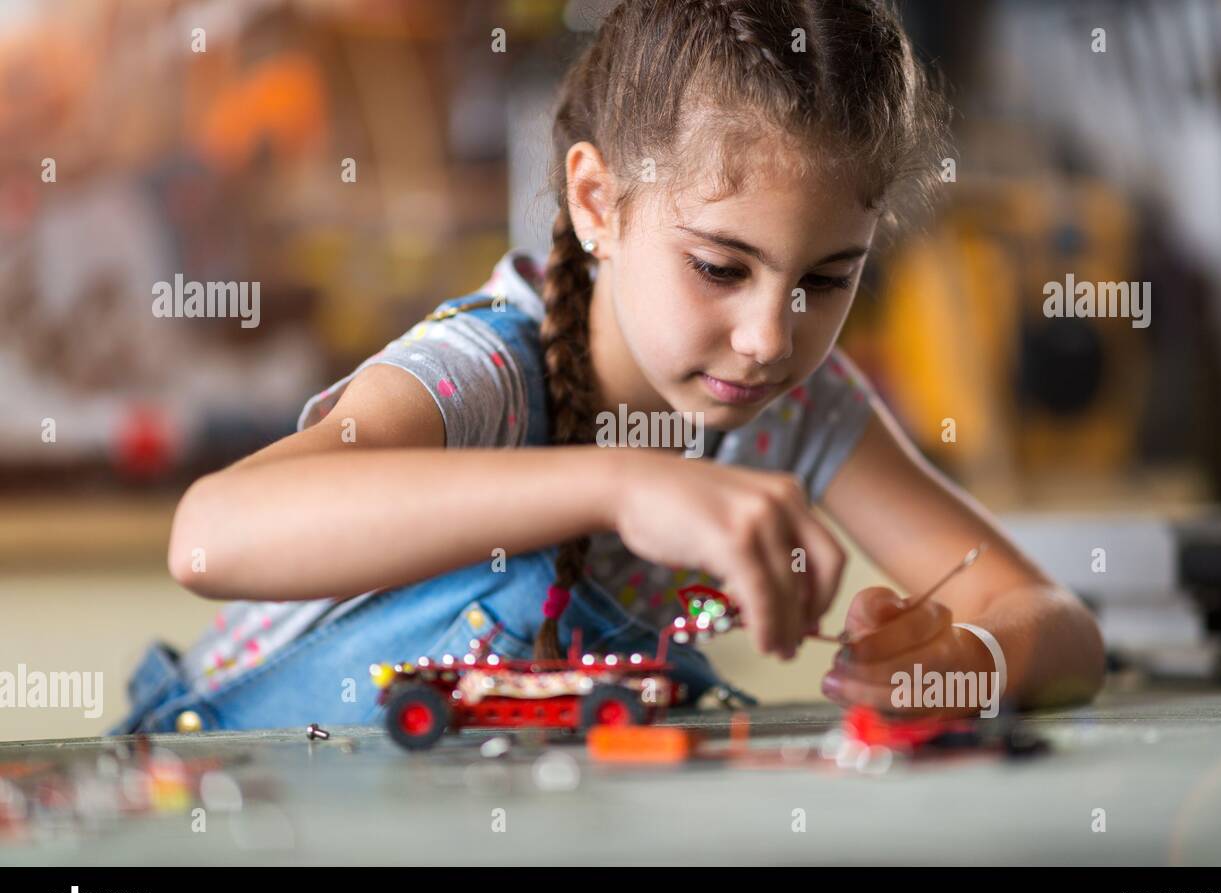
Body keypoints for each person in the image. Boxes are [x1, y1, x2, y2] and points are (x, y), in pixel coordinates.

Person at [110, 0, 1103, 735]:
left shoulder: (796, 408)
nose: (768, 334)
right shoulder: (485, 370)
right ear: (597, 203)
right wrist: (625, 483)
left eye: (827, 277)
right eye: (719, 266)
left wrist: (960, 660)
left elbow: (1054, 621)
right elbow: (209, 537)